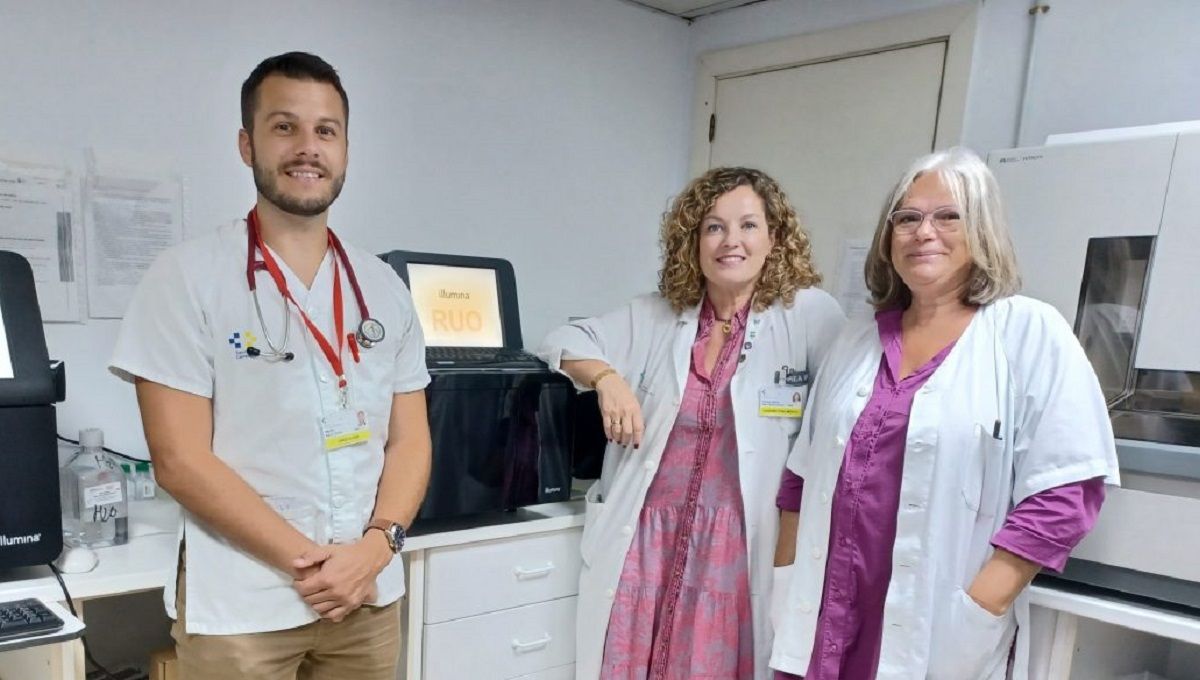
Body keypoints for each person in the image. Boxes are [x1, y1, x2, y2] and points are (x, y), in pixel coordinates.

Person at [109, 52, 431, 680]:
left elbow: (409, 436)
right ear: (245, 142)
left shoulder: (383, 286)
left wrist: (375, 547)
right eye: (285, 126)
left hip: (366, 598)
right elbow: (180, 460)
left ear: (344, 148)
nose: (307, 147)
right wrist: (314, 565)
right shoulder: (186, 278)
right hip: (246, 605)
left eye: (325, 130)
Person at [769, 148, 1120, 680]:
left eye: (947, 216)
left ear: (981, 230)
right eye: (906, 218)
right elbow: (800, 478)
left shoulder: (1026, 332)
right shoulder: (857, 339)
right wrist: (785, 578)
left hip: (938, 630)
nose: (922, 232)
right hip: (824, 616)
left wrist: (981, 606)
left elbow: (1066, 492)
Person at [538, 167, 845, 679]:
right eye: (714, 227)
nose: (732, 242)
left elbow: (841, 416)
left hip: (741, 547)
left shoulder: (809, 316)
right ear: (693, 241)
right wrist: (608, 379)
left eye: (748, 225)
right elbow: (561, 340)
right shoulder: (659, 315)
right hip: (646, 544)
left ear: (775, 237)